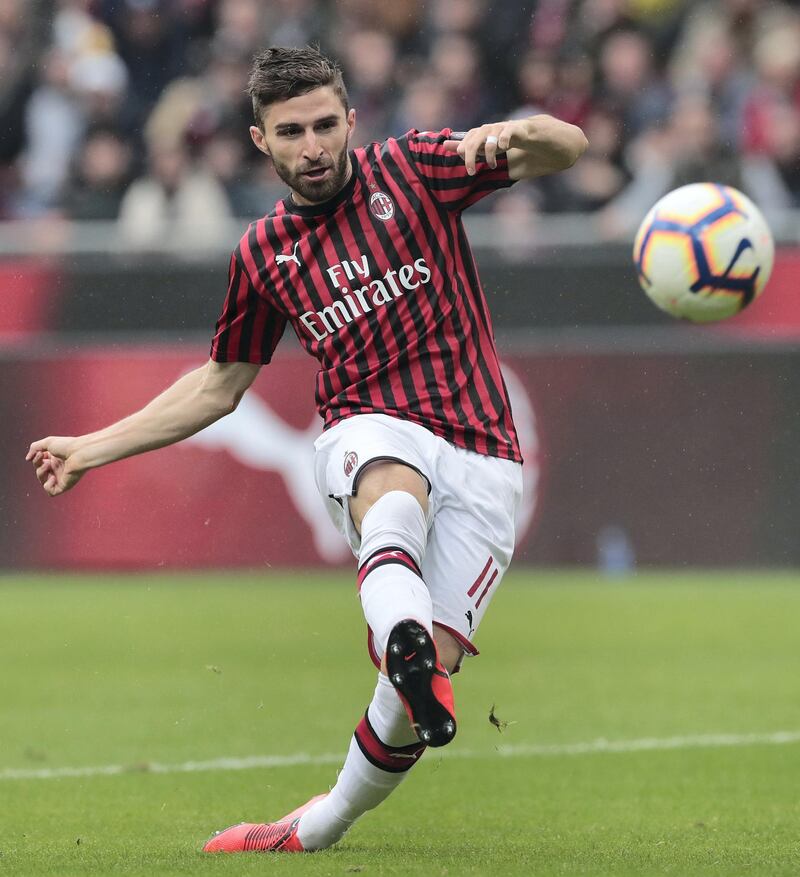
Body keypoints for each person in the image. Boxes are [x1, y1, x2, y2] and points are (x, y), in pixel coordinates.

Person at [27, 45, 587, 853]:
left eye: (326, 124)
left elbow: (567, 147)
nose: (313, 145)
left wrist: (515, 132)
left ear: (352, 121)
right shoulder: (264, 254)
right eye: (291, 131)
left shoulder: (416, 169)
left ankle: (318, 823)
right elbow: (219, 385)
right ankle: (406, 642)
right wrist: (91, 446)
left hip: (487, 456)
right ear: (262, 141)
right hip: (369, 427)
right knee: (390, 491)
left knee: (412, 698)